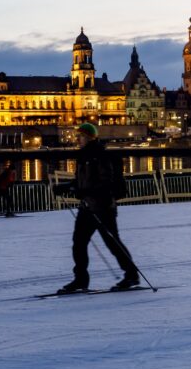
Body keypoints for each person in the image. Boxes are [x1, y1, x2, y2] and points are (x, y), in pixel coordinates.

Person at [59, 123, 140, 293]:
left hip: (102, 207)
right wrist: (66, 186)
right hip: (87, 207)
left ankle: (131, 275)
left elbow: (105, 182)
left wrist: (80, 191)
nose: (77, 139)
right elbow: (82, 181)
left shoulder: (100, 156)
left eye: (80, 136)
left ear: (89, 137)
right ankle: (80, 279)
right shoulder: (83, 156)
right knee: (79, 243)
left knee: (112, 242)